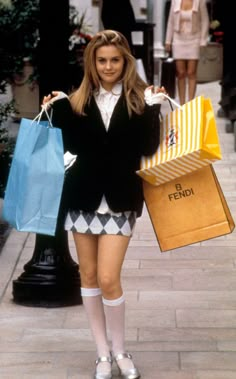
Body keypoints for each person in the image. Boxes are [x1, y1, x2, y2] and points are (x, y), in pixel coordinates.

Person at [43, 29, 166, 379]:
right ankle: (101, 354)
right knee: (89, 275)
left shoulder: (140, 99)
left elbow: (148, 146)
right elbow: (64, 144)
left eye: (115, 60)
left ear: (125, 62)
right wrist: (53, 108)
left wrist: (154, 109)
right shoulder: (75, 101)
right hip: (82, 199)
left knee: (110, 278)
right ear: (92, 63)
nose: (108, 66)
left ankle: (121, 350)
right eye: (102, 60)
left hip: (120, 199)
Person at [165, 0, 209, 105]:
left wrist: (203, 39)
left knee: (191, 72)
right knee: (180, 73)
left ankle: (190, 104)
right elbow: (170, 21)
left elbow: (205, 20)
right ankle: (182, 104)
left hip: (194, 39)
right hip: (178, 39)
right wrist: (168, 41)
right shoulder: (175, 1)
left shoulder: (200, 2)